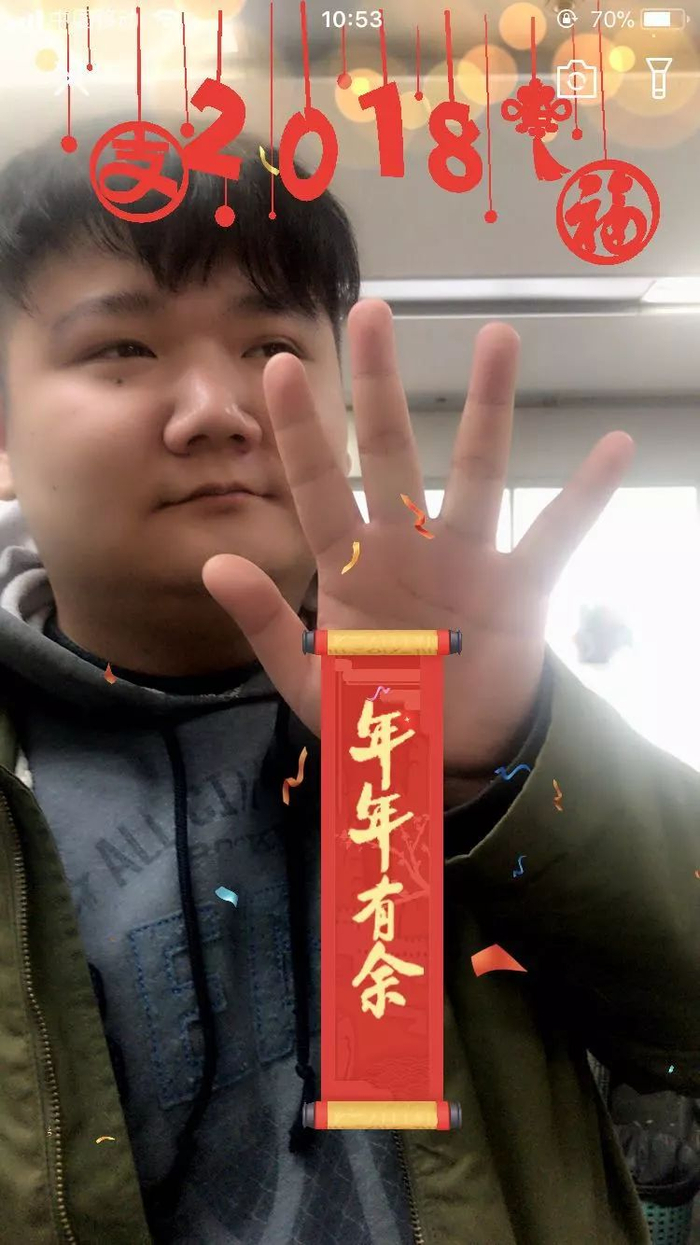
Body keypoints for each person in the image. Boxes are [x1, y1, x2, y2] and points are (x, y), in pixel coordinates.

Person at [0, 111, 696, 1245]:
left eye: (270, 348)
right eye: (121, 348)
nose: (215, 412)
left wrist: (508, 766)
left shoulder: (458, 710)